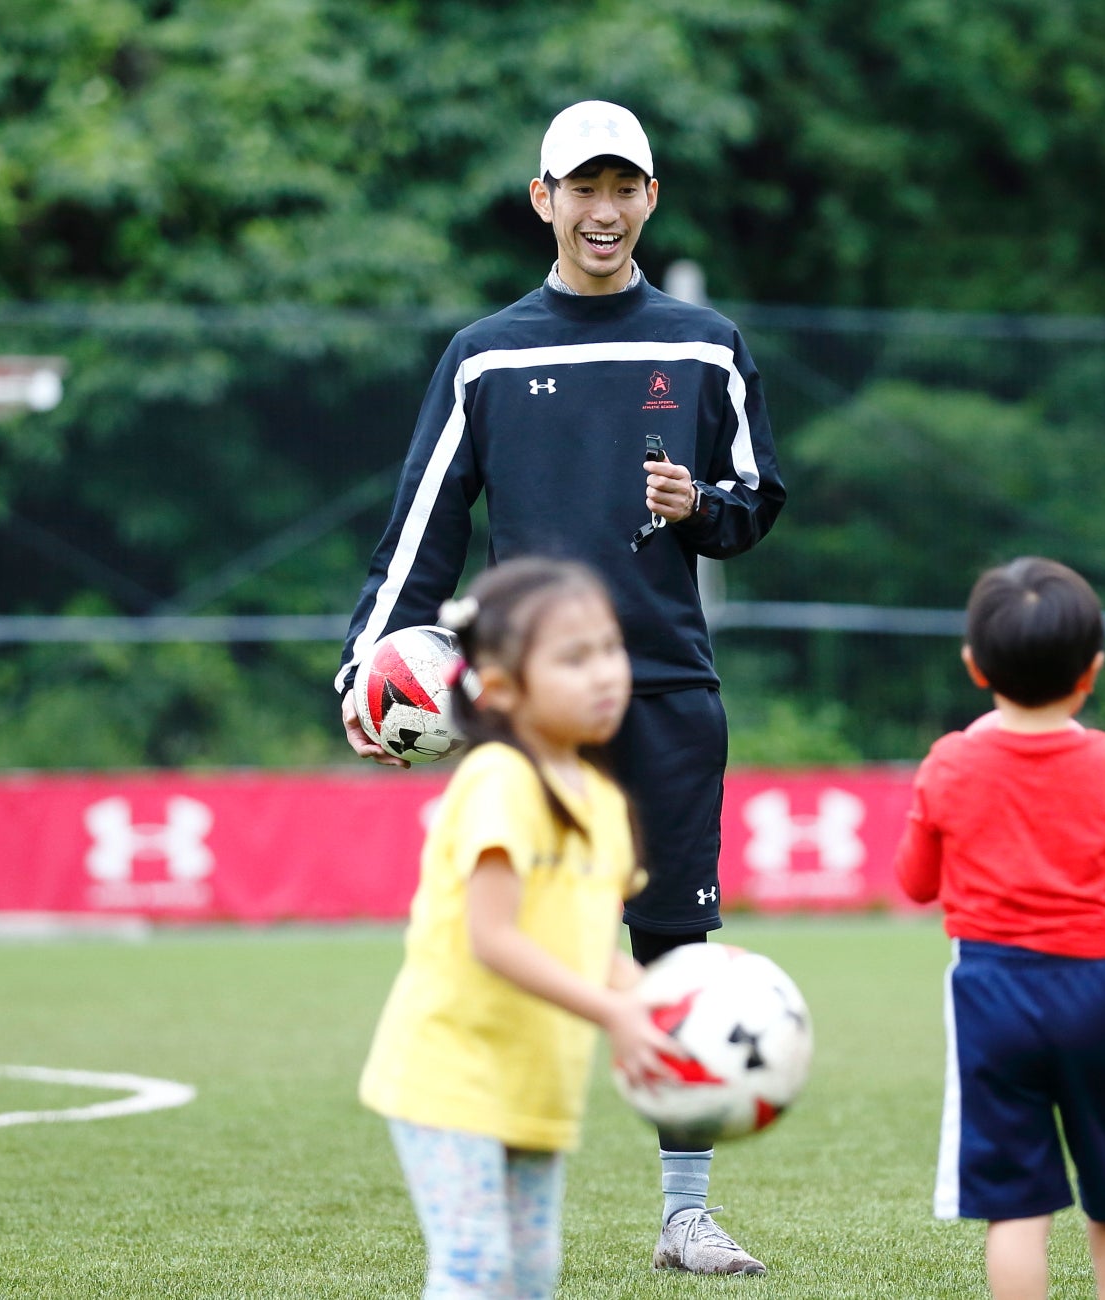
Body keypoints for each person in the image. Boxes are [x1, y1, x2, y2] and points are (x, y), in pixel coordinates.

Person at [336, 99, 784, 1274]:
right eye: (579, 188)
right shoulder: (487, 351)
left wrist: (707, 508)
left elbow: (756, 498)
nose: (602, 209)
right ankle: (493, 1181)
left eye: (622, 187)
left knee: (677, 945)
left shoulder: (705, 342)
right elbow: (424, 526)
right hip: (527, 714)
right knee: (512, 940)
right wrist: (368, 662)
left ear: (650, 198)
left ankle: (685, 1212)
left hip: (669, 691)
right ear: (543, 199)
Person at [358, 557, 679, 1299]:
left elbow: (588, 942)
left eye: (609, 649)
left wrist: (671, 1002)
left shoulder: (601, 798)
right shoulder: (499, 779)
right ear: (499, 690)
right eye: (574, 658)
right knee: (475, 1268)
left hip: (536, 1083)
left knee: (530, 1278)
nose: (605, 674)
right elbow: (493, 938)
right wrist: (614, 1013)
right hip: (450, 1075)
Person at [894, 557, 1105, 1300]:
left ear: (975, 667)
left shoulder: (949, 763)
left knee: (1015, 1200)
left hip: (988, 991)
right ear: (1093, 670)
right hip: (1094, 990)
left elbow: (915, 883)